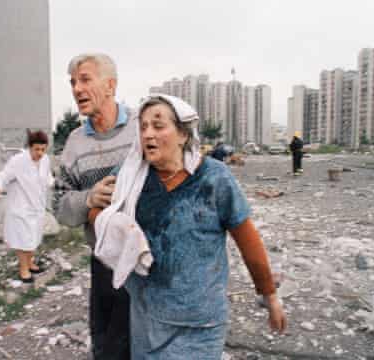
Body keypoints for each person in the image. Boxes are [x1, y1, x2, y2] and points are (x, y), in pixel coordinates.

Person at [90, 95, 287, 359]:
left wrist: (269, 295)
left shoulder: (214, 178)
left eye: (158, 126)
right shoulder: (128, 175)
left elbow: (246, 237)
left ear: (183, 134)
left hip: (200, 324)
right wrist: (105, 216)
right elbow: (97, 212)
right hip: (148, 320)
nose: (148, 134)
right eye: (143, 126)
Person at [55, 53, 134, 359]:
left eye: (85, 79)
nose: (76, 88)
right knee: (106, 346)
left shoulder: (143, 128)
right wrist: (89, 201)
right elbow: (58, 205)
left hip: (149, 259)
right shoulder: (74, 144)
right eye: (73, 82)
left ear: (110, 85)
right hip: (105, 261)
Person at [0, 130, 54, 282]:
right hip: (20, 208)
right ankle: (23, 269)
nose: (40, 153)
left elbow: (47, 176)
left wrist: (53, 183)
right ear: (30, 147)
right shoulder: (18, 161)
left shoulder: (45, 159)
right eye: (37, 149)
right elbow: (3, 176)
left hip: (37, 207)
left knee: (33, 238)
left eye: (43, 149)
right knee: (22, 240)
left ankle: (30, 263)